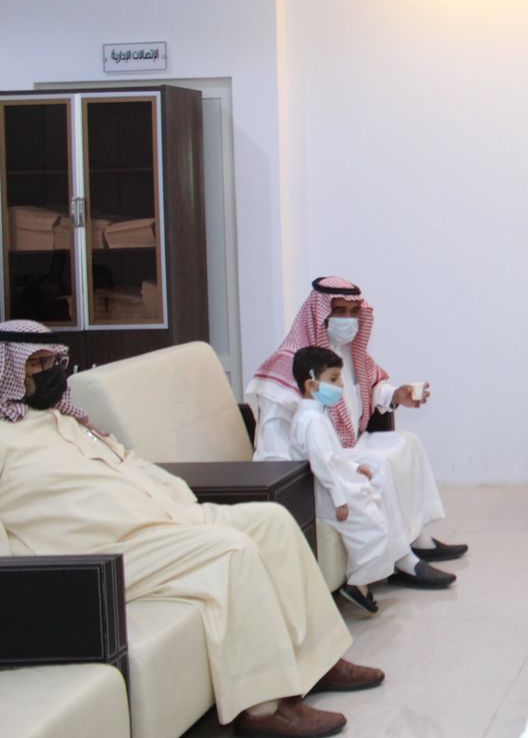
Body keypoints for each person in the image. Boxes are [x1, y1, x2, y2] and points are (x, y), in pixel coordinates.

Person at [0, 320, 383, 738]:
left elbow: (133, 465)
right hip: (102, 553)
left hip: (164, 519)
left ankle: (319, 661)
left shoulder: (68, 421)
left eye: (53, 361)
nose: (50, 372)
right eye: (36, 364)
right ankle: (263, 708)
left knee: (272, 522)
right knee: (232, 551)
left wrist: (184, 503)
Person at [247, 277, 462, 589]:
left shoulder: (350, 351)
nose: (348, 320)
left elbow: (367, 387)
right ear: (320, 314)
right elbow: (276, 436)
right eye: (339, 311)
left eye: (353, 312)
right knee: (380, 466)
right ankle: (402, 560)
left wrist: (395, 395)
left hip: (349, 442)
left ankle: (418, 537)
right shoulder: (292, 363)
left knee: (408, 444)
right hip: (317, 456)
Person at [288, 346, 411, 615]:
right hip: (330, 494)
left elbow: (332, 455)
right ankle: (358, 585)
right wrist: (339, 499)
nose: (340, 385)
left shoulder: (316, 416)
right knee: (375, 529)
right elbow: (321, 464)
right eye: (333, 379)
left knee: (377, 498)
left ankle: (363, 581)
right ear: (311, 384)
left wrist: (355, 467)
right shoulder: (311, 421)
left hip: (339, 484)